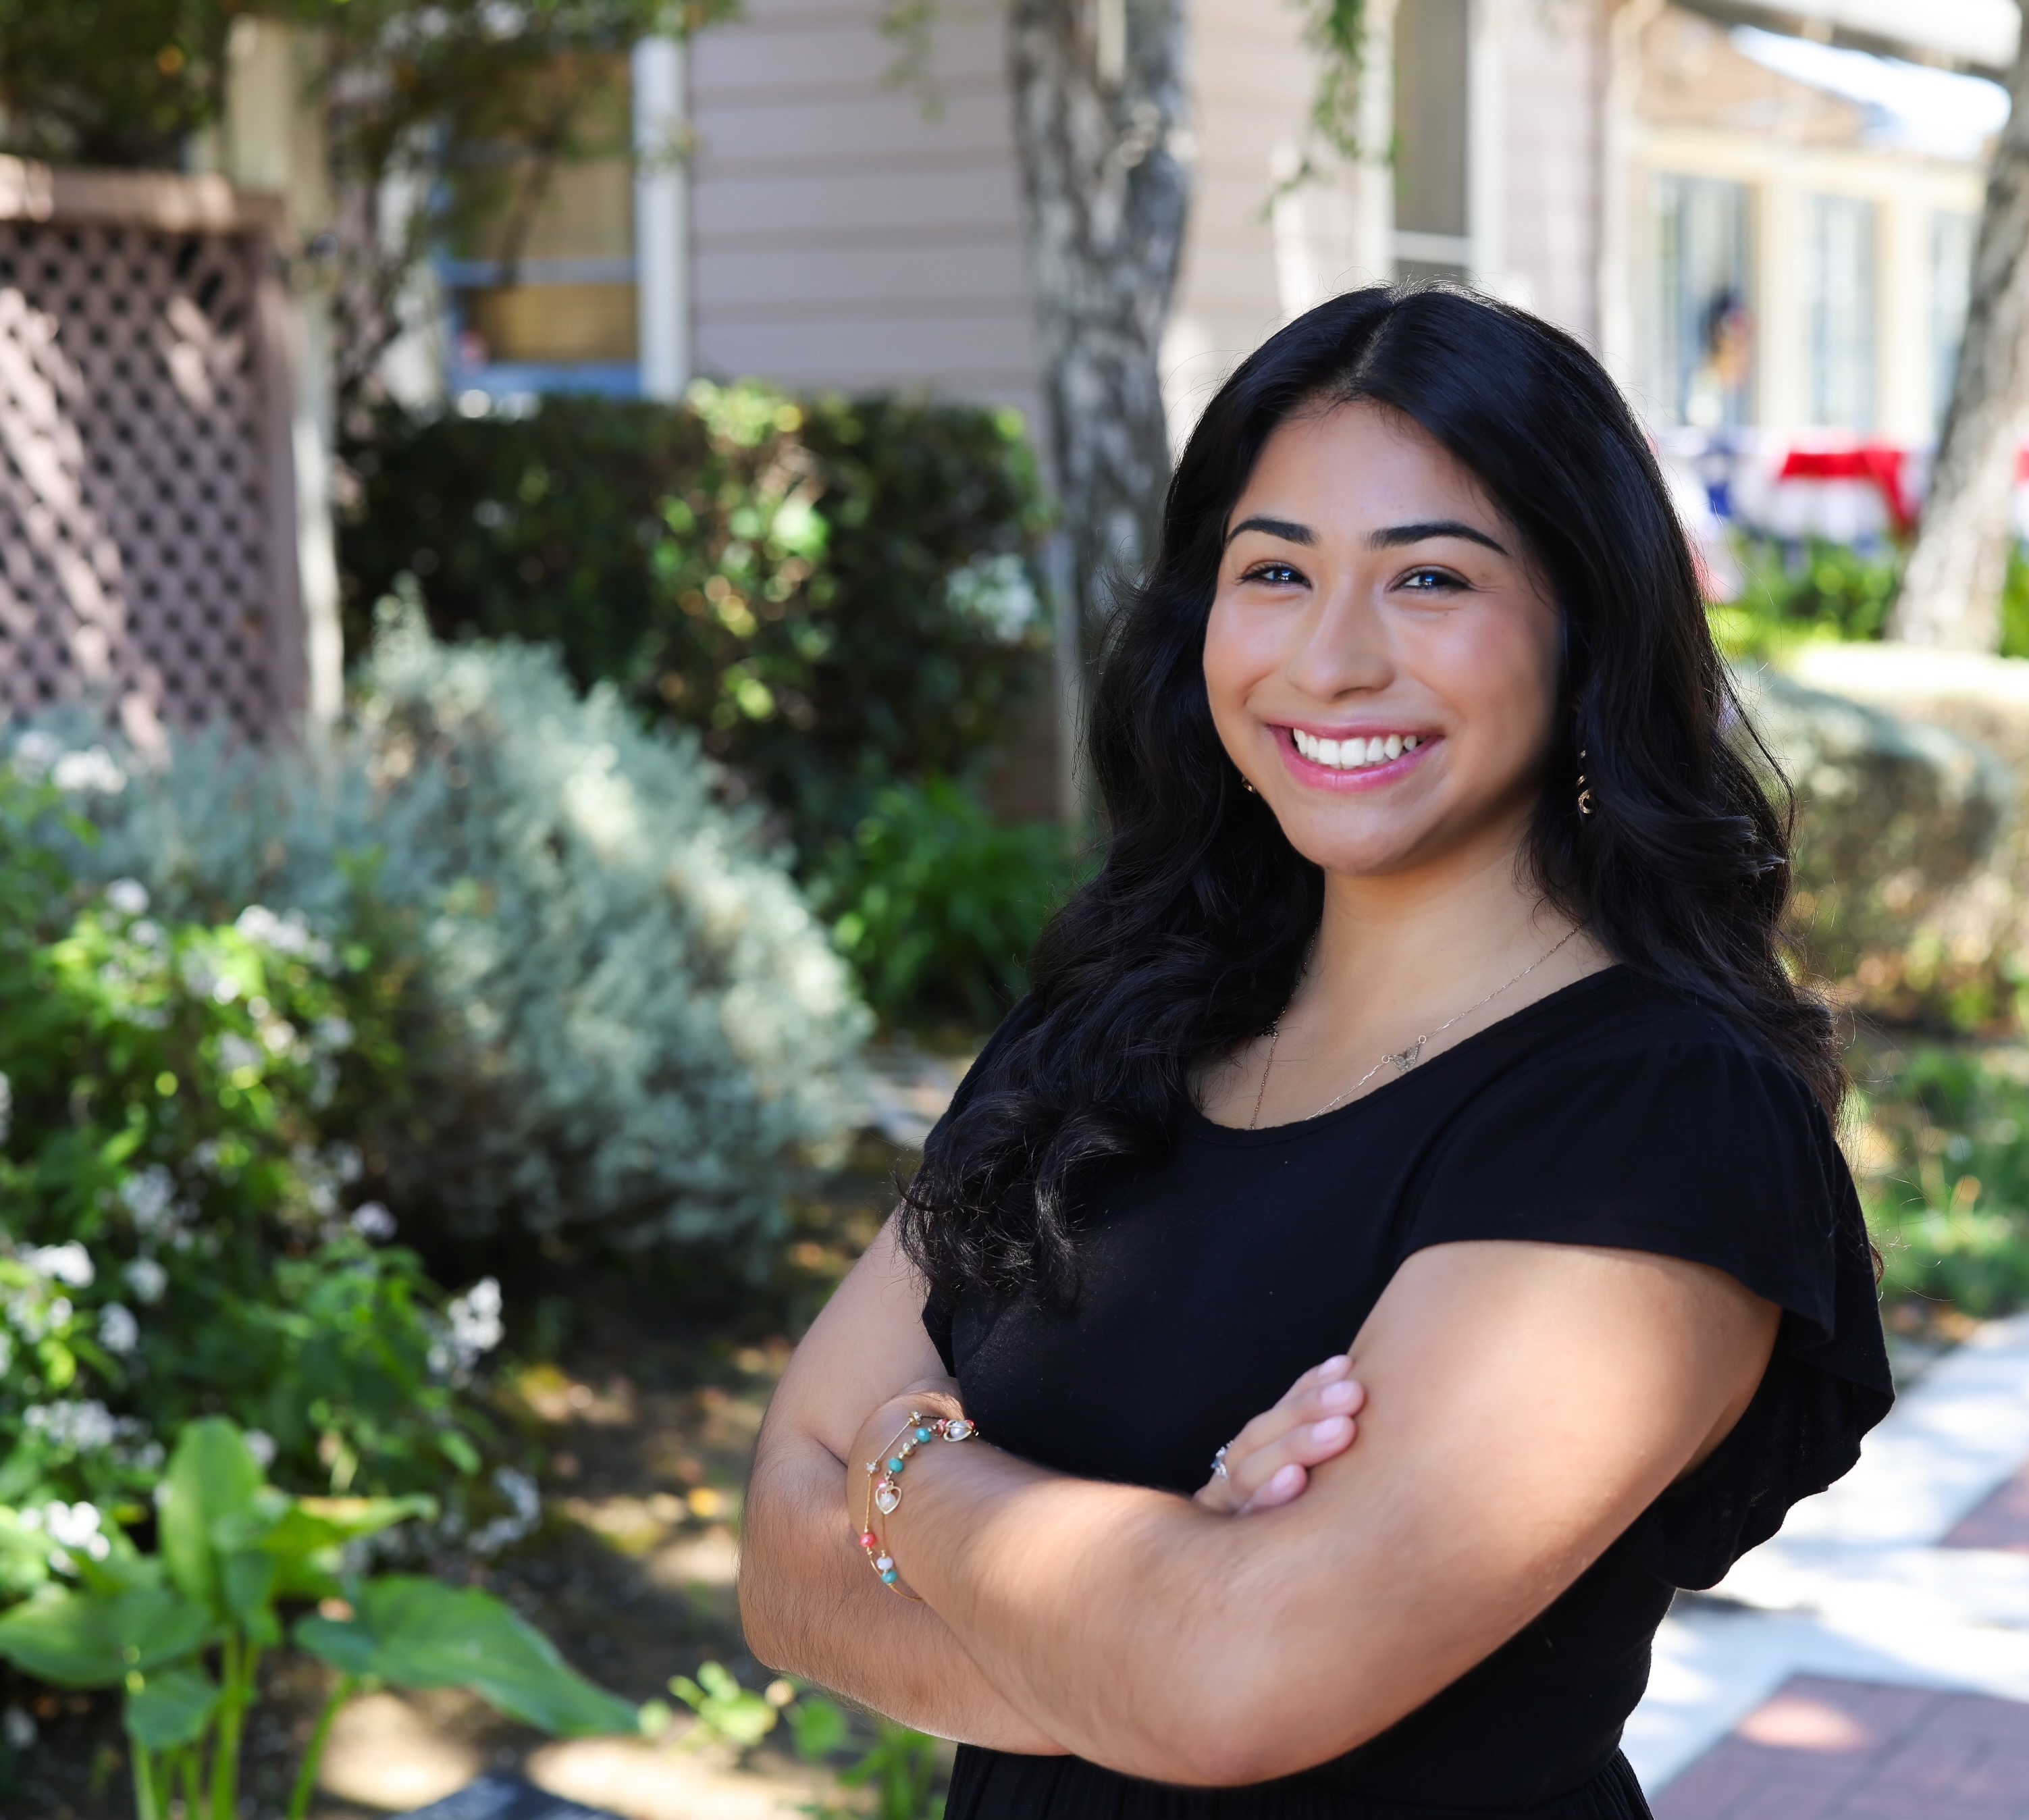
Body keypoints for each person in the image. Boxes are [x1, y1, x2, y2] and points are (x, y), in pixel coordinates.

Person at [739, 285, 1893, 1820]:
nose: (1333, 658)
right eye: (1273, 569)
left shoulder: (1653, 1120)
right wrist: (1161, 1604)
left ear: (1583, 622)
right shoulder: (1112, 1029)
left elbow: (1234, 1681)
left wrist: (905, 1472)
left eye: (1427, 577)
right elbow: (776, 1557)